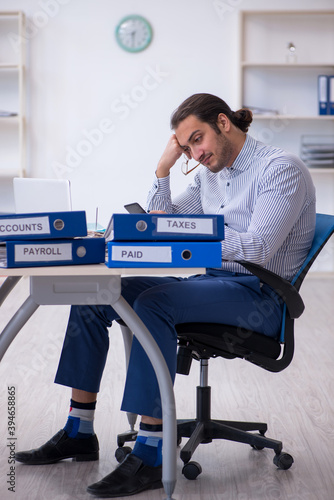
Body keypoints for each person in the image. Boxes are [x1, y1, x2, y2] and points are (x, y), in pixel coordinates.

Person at [15, 93, 316, 497]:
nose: (196, 152)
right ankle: (78, 430)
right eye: (187, 146)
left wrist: (193, 235)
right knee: (95, 293)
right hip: (210, 283)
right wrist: (163, 170)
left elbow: (259, 248)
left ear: (224, 123)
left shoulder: (281, 170)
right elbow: (163, 219)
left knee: (152, 302)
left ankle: (152, 453)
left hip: (258, 296)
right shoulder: (210, 174)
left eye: (198, 139)